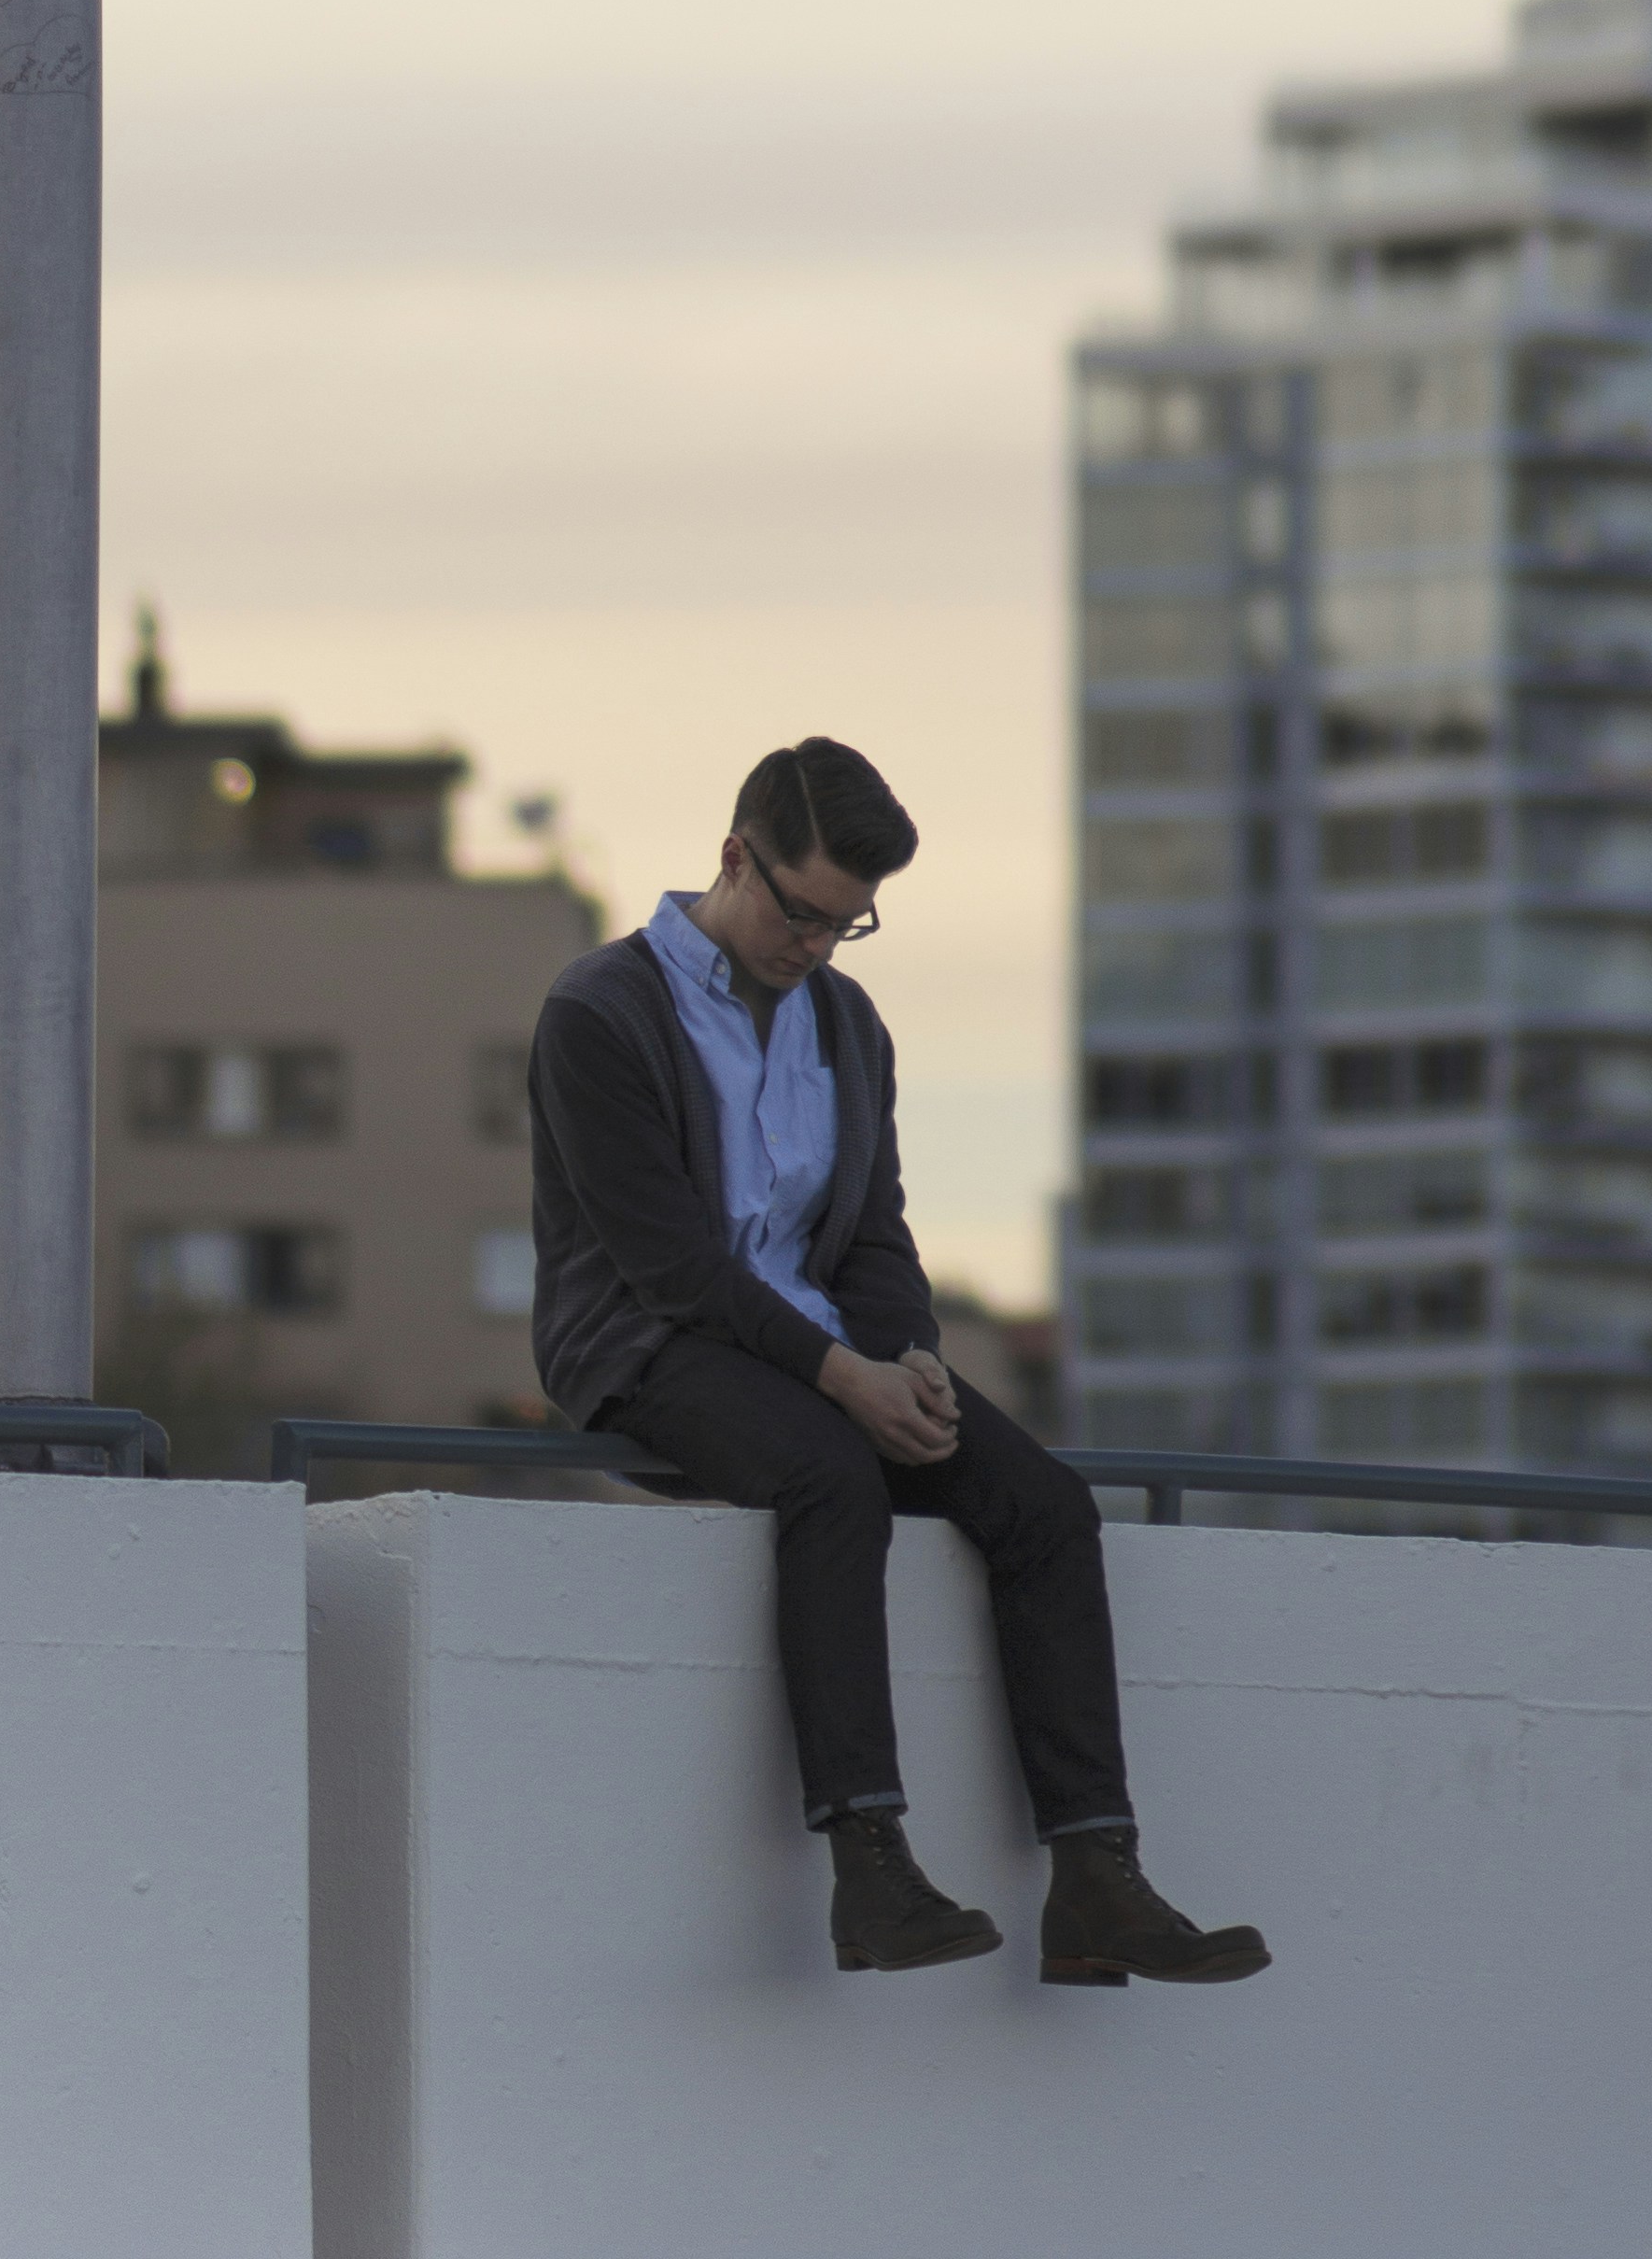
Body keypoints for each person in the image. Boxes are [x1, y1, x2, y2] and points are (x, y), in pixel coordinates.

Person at [527, 734, 1267, 1986]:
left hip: (820, 1351)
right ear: (732, 857)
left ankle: (1095, 1876)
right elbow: (672, 1269)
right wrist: (842, 1378)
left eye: (846, 925)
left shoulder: (847, 1026)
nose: (813, 944)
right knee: (832, 1476)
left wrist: (910, 1358)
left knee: (1041, 1502)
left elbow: (871, 1235)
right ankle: (869, 1867)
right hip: (649, 1346)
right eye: (800, 912)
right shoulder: (600, 1012)